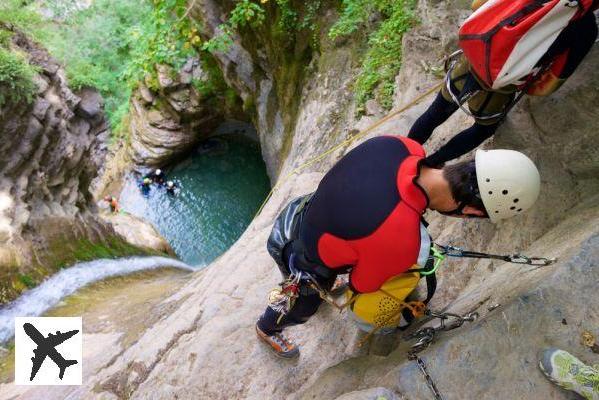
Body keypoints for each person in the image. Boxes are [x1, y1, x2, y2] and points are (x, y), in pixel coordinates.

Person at [255, 135, 541, 358]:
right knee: (301, 305)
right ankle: (267, 328)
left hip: (302, 211)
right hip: (303, 256)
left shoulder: (401, 146)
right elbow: (362, 285)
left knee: (338, 259)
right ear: (473, 212)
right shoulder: (401, 240)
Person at [408, 2, 598, 166]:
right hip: (500, 87)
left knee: (437, 111)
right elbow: (548, 86)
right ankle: (432, 162)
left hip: (470, 62)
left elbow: (478, 6)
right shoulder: (586, 27)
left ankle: (405, 152)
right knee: (482, 130)